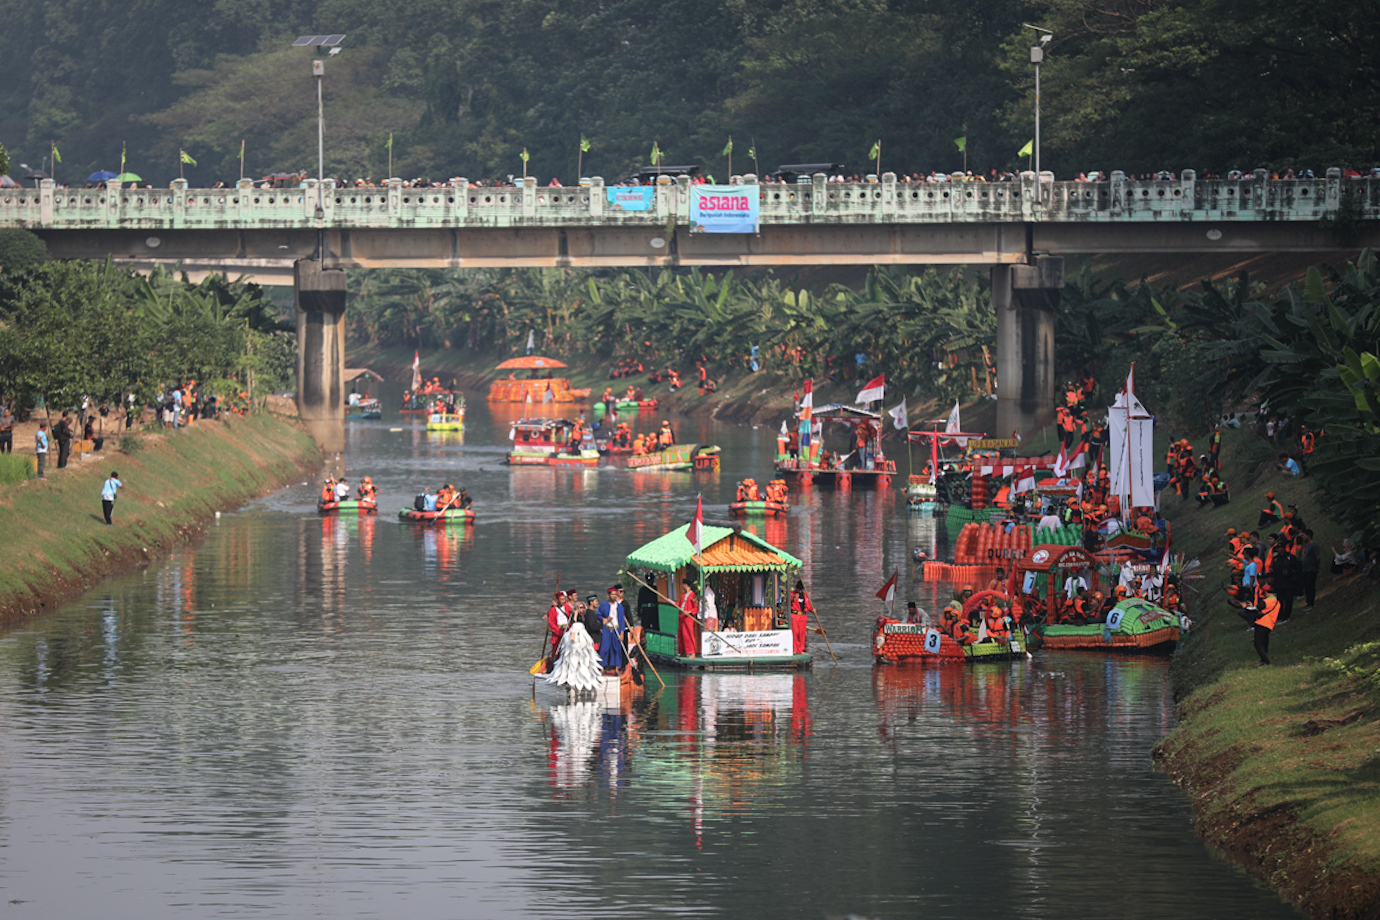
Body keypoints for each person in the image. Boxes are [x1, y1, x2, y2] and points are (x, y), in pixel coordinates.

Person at [1236, 579, 1280, 666]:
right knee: (1263, 642)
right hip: (1270, 624)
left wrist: (1245, 607)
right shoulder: (1277, 602)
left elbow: (1254, 609)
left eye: (1264, 593)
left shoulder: (1266, 601)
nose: (1263, 595)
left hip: (1262, 623)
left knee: (1258, 643)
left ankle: (1266, 662)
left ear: (1267, 593)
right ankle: (1263, 660)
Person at [789, 580, 813, 654]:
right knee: (795, 632)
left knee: (802, 633)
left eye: (801, 590)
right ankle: (794, 649)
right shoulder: (792, 593)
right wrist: (793, 598)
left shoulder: (805, 595)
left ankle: (801, 649)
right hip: (794, 615)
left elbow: (808, 605)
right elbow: (787, 601)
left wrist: (812, 610)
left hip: (802, 616)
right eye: (799, 589)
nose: (799, 591)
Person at [678, 583, 700, 657]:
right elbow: (680, 605)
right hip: (682, 617)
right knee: (681, 635)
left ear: (686, 585)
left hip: (688, 617)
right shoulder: (683, 595)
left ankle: (692, 652)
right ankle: (683, 651)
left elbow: (696, 607)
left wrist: (689, 612)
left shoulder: (693, 595)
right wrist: (672, 602)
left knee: (689, 635)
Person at [1299, 529, 1320, 607]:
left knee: (1310, 586)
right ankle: (1308, 601)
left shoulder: (1313, 545)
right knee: (1306, 586)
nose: (1303, 537)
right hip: (1305, 569)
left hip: (1311, 569)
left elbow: (1317, 557)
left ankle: (1311, 602)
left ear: (1308, 535)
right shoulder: (1306, 545)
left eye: (1304, 535)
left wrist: (1316, 566)